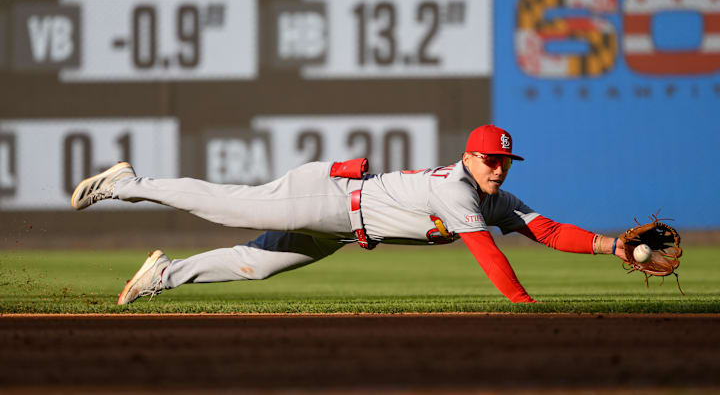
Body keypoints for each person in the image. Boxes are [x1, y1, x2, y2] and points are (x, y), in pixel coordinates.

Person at [71, 124, 628, 305]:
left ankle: (163, 275)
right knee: (227, 207)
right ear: (468, 156)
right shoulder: (459, 189)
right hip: (331, 200)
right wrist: (523, 304)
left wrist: (612, 246)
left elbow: (545, 229)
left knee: (256, 265)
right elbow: (488, 254)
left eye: (504, 162)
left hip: (345, 228)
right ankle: (129, 183)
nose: (498, 170)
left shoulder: (497, 201)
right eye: (490, 160)